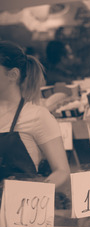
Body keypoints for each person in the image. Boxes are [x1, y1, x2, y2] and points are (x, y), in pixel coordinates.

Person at [0, 41, 70, 191]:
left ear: (13, 75)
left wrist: (35, 193)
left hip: (19, 209)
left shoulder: (37, 116)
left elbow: (62, 171)